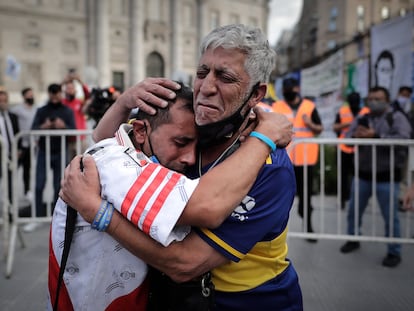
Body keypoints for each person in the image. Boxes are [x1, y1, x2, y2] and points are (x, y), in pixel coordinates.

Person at [61, 24, 302, 310]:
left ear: (256, 93)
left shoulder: (271, 167)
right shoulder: (192, 133)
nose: (206, 88)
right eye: (202, 73)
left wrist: (98, 212)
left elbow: (186, 262)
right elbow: (110, 145)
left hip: (251, 302)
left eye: (225, 77)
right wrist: (125, 101)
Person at [340, 86, 411, 268]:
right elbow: (348, 137)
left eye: (378, 98)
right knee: (354, 212)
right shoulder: (363, 118)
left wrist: (376, 136)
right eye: (371, 98)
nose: (374, 102)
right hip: (362, 175)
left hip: (387, 177)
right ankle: (352, 239)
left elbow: (404, 139)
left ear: (387, 100)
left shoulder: (396, 117)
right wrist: (356, 136)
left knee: (391, 217)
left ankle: (394, 251)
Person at [272, 77, 323, 241]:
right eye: (285, 89)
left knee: (306, 196)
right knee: (279, 195)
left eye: (290, 88)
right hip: (283, 159)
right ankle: (273, 231)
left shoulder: (309, 106)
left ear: (297, 89)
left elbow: (319, 129)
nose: (288, 92)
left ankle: (308, 227)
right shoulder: (277, 106)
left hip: (306, 158)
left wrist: (310, 123)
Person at [23, 84, 75, 232]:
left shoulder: (67, 111)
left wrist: (63, 126)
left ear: (60, 93)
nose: (54, 96)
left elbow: (74, 130)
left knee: (58, 186)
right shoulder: (42, 111)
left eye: (57, 93)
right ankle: (37, 216)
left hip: (60, 151)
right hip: (44, 151)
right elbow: (33, 129)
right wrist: (44, 127)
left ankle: (56, 217)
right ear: (49, 94)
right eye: (52, 93)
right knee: (39, 185)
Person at [333, 92, 369, 209]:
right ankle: (343, 199)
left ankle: (356, 199)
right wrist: (348, 124)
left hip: (361, 149)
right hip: (343, 148)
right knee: (343, 176)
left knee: (358, 176)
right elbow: (335, 127)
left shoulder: (366, 112)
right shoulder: (343, 111)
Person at [0, 89, 20, 205]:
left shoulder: (12, 116)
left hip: (10, 156)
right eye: (0, 100)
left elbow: (17, 133)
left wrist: (18, 149)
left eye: (4, 100)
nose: (2, 103)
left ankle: (11, 210)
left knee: (10, 185)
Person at [62, 80, 88, 159]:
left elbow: (88, 95)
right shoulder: (62, 103)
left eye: (72, 88)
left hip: (80, 138)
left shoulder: (79, 102)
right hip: (67, 139)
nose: (70, 90)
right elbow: (55, 92)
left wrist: (80, 81)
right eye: (68, 88)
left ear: (75, 90)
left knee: (81, 163)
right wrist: (63, 81)